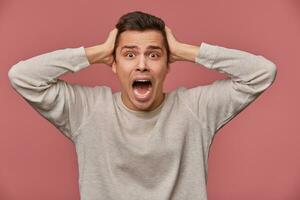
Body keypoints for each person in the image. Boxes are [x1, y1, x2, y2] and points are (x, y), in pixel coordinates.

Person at [8, 10, 277, 200]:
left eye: (154, 54)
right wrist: (96, 53)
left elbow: (262, 72)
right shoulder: (88, 110)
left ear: (167, 64)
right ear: (113, 64)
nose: (141, 64)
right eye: (129, 55)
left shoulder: (195, 109)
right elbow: (22, 77)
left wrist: (184, 50)